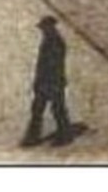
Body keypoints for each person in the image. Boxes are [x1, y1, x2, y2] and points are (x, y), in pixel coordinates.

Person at [22, 17, 74, 147]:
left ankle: (64, 135)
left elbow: (53, 65)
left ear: (50, 27)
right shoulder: (50, 40)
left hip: (52, 81)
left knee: (56, 109)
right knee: (39, 110)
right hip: (47, 81)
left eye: (44, 28)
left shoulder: (55, 42)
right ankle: (33, 137)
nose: (43, 30)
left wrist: (45, 81)